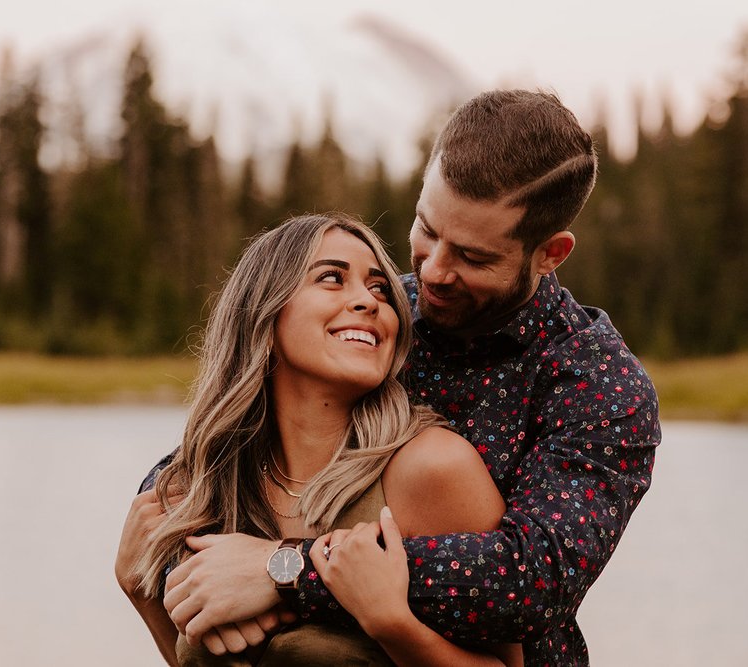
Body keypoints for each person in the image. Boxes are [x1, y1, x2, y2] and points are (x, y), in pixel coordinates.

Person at [136, 89, 661, 666]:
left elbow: (530, 580)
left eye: (474, 257)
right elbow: (199, 467)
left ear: (551, 254)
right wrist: (166, 567)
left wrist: (285, 571)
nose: (433, 271)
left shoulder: (596, 383)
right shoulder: (381, 321)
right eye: (426, 228)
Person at [116, 213, 523, 666]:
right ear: (264, 317)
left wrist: (391, 623)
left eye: (379, 289)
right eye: (331, 278)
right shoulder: (206, 489)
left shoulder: (431, 467)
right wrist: (141, 592)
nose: (368, 302)